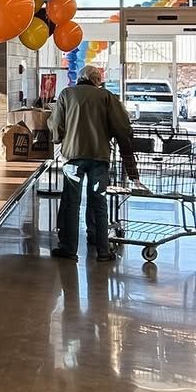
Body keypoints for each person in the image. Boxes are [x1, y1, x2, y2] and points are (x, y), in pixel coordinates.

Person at [49, 64, 139, 261]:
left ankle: (68, 249)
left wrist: (59, 137)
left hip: (73, 156)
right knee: (98, 201)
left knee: (71, 202)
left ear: (81, 77)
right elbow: (122, 126)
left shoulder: (67, 94)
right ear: (97, 80)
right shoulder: (107, 97)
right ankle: (103, 250)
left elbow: (56, 126)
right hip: (100, 156)